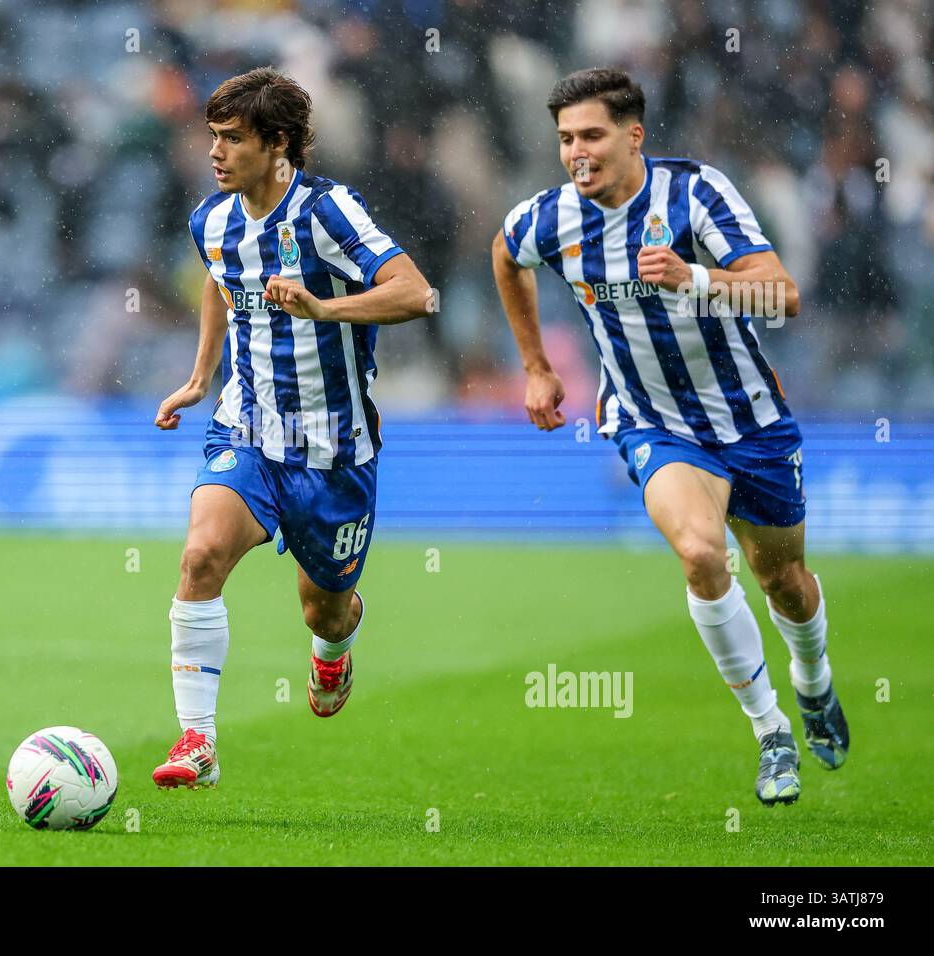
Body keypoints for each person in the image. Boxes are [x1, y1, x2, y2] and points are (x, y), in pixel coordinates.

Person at [492, 68, 848, 805]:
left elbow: (782, 293)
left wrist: (697, 279)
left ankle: (813, 681)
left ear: (633, 135)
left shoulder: (696, 194)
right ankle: (771, 729)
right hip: (651, 420)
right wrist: (535, 365)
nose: (576, 153)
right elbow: (505, 254)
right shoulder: (552, 218)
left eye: (591, 135)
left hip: (749, 420)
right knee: (698, 551)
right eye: (564, 139)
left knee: (785, 581)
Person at [151, 67, 433, 789]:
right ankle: (197, 741)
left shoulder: (327, 212)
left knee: (326, 609)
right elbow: (223, 282)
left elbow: (415, 292)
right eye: (212, 137)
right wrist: (200, 375)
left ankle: (334, 649)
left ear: (278, 145)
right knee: (201, 555)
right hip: (244, 427)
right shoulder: (210, 219)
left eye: (232, 139)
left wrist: (325, 309)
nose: (214, 152)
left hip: (333, 450)